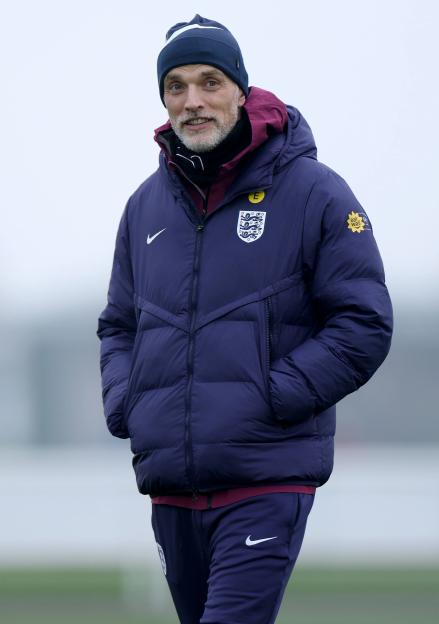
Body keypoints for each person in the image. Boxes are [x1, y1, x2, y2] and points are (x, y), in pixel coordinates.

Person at [97, 14, 393, 623]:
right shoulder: (144, 207)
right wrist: (126, 403)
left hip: (266, 479)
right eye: (175, 86)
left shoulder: (314, 192)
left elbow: (363, 321)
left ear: (240, 88)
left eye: (209, 81)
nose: (193, 101)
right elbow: (119, 326)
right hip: (172, 488)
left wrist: (272, 395)